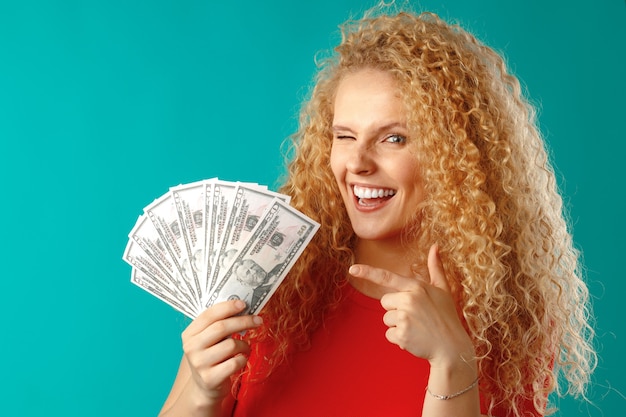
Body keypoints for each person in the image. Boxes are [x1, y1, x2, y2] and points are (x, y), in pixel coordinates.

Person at [158, 7, 596, 417]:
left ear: (457, 156)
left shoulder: (504, 316)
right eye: (345, 136)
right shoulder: (266, 279)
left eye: (394, 139)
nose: (358, 163)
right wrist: (201, 391)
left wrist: (453, 365)